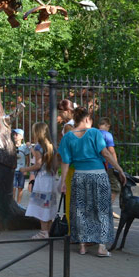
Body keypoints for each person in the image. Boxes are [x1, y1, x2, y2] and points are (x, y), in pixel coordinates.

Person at [58, 106, 127, 257]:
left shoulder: (67, 137)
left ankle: (83, 246)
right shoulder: (94, 133)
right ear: (87, 119)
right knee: (101, 209)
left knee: (81, 210)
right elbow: (106, 153)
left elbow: (65, 161)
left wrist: (62, 181)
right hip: (98, 175)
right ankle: (101, 247)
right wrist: (119, 169)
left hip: (79, 176)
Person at [21, 123, 58, 238]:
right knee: (49, 205)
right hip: (51, 178)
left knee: (41, 205)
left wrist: (25, 169)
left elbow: (38, 164)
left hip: (42, 179)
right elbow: (56, 164)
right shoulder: (51, 146)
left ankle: (43, 232)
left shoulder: (38, 146)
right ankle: (49, 230)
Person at [57, 99, 76, 230]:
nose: (60, 115)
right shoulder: (82, 124)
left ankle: (71, 231)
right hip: (84, 165)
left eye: (61, 112)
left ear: (68, 111)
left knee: (70, 200)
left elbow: (70, 148)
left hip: (71, 167)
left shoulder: (68, 126)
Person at [98, 117, 120, 219]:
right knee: (115, 187)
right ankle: (107, 209)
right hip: (109, 165)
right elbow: (111, 151)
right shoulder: (107, 135)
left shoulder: (94, 134)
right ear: (108, 125)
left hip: (98, 165)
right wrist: (116, 165)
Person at [12, 128, 29, 205]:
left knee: (20, 187)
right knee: (13, 187)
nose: (15, 136)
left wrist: (26, 169)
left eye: (17, 134)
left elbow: (28, 159)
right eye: (14, 134)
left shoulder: (24, 147)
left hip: (22, 170)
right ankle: (12, 203)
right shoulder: (11, 146)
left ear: (21, 137)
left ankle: (18, 204)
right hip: (13, 169)